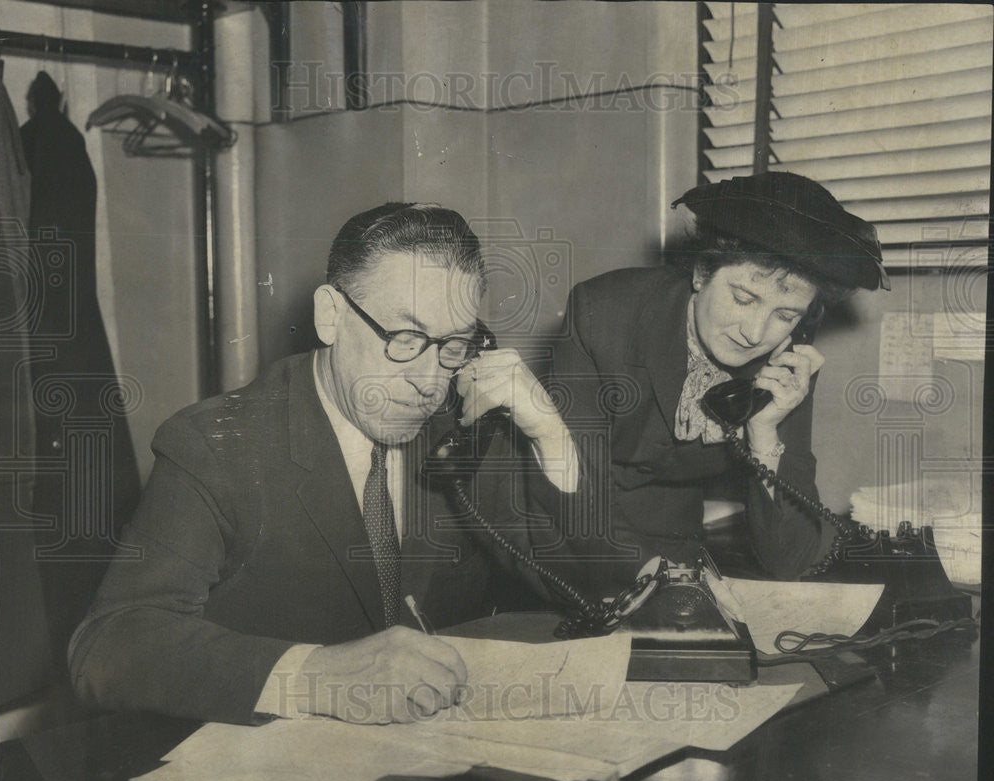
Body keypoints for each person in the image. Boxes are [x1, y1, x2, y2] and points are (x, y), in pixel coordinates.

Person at [68, 202, 578, 726]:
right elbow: (108, 646)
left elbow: (591, 596)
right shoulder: (215, 445)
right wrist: (316, 675)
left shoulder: (460, 431)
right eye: (404, 339)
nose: (430, 381)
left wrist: (550, 436)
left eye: (454, 345)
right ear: (330, 316)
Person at [544, 171, 887, 593]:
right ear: (702, 272)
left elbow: (790, 558)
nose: (755, 333)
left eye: (786, 315)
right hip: (561, 536)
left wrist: (765, 433)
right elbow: (573, 495)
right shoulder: (602, 314)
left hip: (674, 544)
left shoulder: (785, 366)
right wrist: (656, 578)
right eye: (743, 298)